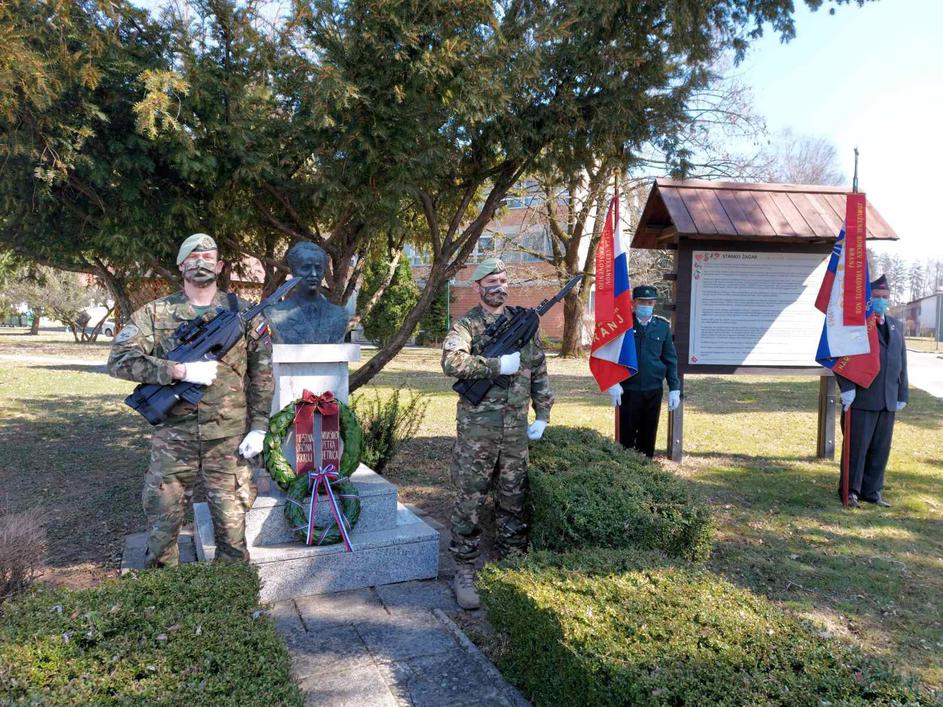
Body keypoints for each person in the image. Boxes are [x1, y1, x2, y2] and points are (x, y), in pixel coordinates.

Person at [108, 233, 273, 566]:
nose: (200, 263)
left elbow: (263, 375)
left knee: (232, 525)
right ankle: (160, 590)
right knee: (163, 520)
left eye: (208, 258)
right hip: (173, 437)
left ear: (220, 266)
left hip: (228, 439)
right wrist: (178, 370)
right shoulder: (155, 313)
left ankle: (232, 592)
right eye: (193, 258)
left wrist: (259, 427)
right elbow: (119, 360)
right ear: (181, 265)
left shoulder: (243, 314)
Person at [441, 257, 554, 609]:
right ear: (477, 287)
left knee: (513, 499)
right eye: (491, 281)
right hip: (478, 432)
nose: (498, 287)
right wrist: (495, 365)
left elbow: (538, 369)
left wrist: (543, 413)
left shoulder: (524, 323)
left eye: (503, 280)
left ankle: (513, 563)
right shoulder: (467, 326)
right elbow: (451, 362)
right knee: (470, 500)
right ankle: (464, 568)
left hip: (516, 430)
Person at [836, 274, 908, 508]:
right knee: (857, 449)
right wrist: (847, 389)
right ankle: (851, 491)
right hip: (862, 397)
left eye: (885, 297)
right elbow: (841, 358)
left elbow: (902, 362)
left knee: (880, 450)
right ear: (868, 299)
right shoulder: (857, 325)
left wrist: (902, 394)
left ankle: (872, 491)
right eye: (876, 297)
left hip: (888, 399)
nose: (881, 301)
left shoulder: (897, 326)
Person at [605, 284, 680, 458]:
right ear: (633, 303)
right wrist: (612, 381)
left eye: (649, 302)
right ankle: (625, 471)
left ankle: (645, 470)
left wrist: (674, 388)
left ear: (654, 304)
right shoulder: (623, 325)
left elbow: (670, 359)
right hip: (628, 390)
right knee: (626, 436)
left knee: (648, 435)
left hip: (653, 390)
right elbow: (610, 354)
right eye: (641, 302)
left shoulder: (662, 327)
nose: (645, 306)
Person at [264, 241, 348, 344]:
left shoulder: (339, 315)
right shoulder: (276, 313)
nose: (313, 274)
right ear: (294, 271)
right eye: (306, 267)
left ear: (324, 272)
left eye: (318, 268)